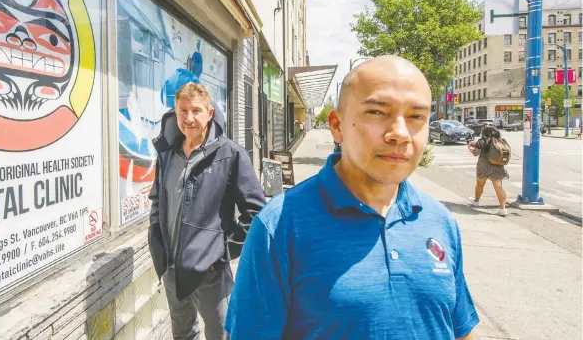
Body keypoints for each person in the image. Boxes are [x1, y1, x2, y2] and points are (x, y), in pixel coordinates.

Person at [226, 56, 478, 340]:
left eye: (416, 116)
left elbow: (459, 330)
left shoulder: (439, 221)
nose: (399, 133)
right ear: (337, 125)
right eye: (376, 112)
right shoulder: (280, 226)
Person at [148, 82, 266, 340]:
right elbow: (157, 199)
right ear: (175, 113)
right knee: (183, 333)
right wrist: (157, 238)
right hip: (171, 266)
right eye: (183, 111)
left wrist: (222, 252)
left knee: (222, 333)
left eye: (196, 111)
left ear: (209, 114)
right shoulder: (167, 153)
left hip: (209, 271)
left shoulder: (230, 154)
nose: (189, 118)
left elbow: (256, 211)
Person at [467, 125, 509, 216]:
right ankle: (503, 209)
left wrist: (470, 147)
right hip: (498, 167)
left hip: (483, 167)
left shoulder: (482, 141)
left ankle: (476, 201)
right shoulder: (501, 141)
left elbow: (475, 153)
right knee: (499, 187)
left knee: (480, 185)